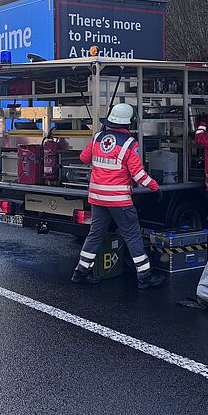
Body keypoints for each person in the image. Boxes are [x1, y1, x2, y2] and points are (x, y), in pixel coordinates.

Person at [72, 103, 166, 289]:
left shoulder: (98, 137)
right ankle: (144, 277)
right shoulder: (130, 144)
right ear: (129, 122)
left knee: (95, 234)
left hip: (97, 197)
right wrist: (155, 187)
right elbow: (138, 174)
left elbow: (83, 158)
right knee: (133, 236)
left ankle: (80, 272)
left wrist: (97, 145)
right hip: (118, 200)